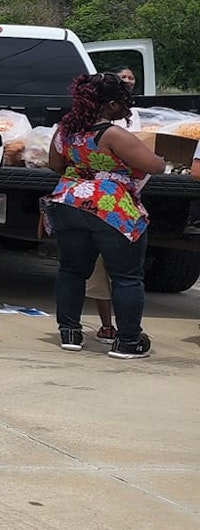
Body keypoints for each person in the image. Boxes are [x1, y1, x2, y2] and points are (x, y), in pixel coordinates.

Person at [44, 72, 165, 359]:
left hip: (68, 202)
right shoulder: (112, 134)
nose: (127, 110)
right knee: (126, 276)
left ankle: (70, 332)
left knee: (72, 269)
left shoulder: (65, 130)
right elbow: (155, 165)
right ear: (109, 105)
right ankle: (128, 342)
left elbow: (54, 163)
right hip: (110, 208)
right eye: (124, 104)